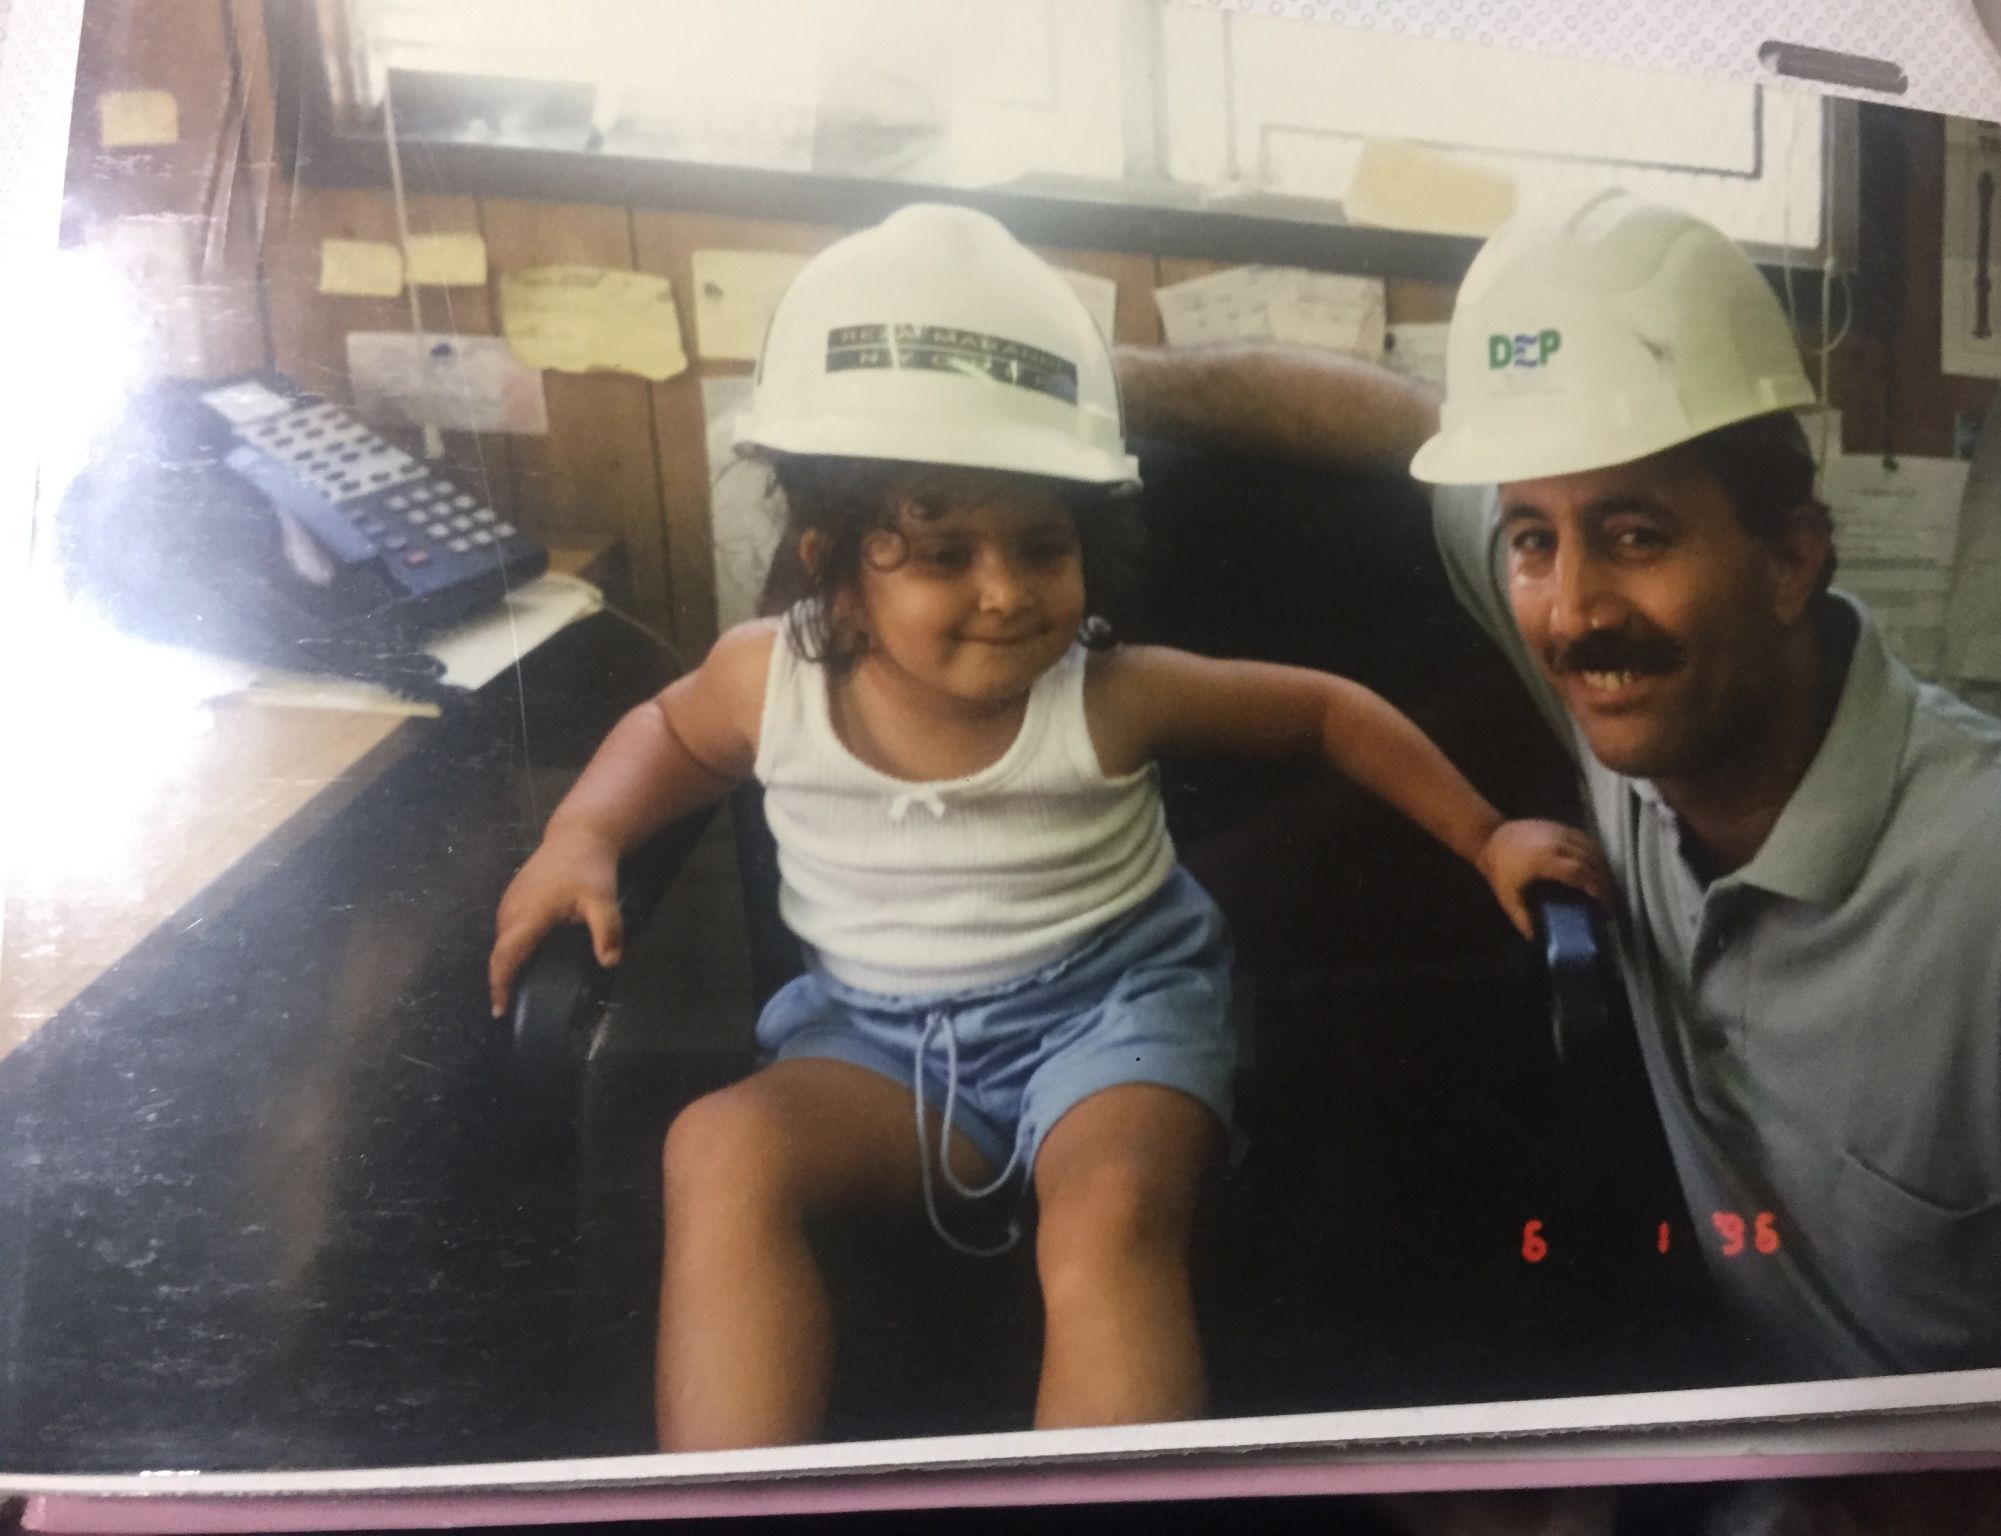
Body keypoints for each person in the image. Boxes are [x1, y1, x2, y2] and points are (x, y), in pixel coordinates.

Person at [485, 203, 1608, 1451]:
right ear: (832, 566)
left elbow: (1324, 714)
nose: (1006, 592)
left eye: (1041, 545)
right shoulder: (766, 680)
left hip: (1111, 1019)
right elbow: (667, 733)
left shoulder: (1107, 691)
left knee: (1109, 1215)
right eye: (944, 554)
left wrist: (1483, 836)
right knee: (716, 1149)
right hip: (876, 1042)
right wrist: (582, 835)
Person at [1117, 189, 2001, 1380]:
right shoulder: (1625, 688)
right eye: (1531, 541)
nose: (1570, 613)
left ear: (1787, 560)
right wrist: (1091, 384)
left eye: (1634, 535)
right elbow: (1389, 420)